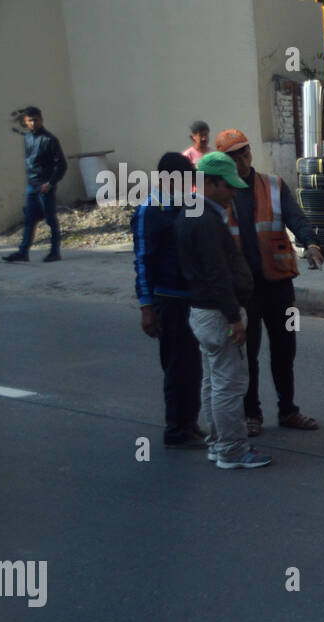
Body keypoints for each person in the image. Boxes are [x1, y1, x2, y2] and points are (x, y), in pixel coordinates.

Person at [215, 128, 324, 437]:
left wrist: (311, 244)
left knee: (285, 348)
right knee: (246, 354)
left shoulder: (274, 185)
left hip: (278, 286)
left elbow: (296, 218)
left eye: (245, 153)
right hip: (243, 291)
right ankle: (252, 414)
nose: (242, 161)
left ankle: (288, 410)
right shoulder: (219, 193)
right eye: (234, 157)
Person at [176, 152, 270, 470]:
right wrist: (233, 317)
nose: (233, 192)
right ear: (211, 183)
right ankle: (231, 449)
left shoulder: (192, 213)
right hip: (217, 313)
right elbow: (216, 273)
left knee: (214, 381)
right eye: (228, 186)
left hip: (202, 311)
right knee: (229, 384)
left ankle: (219, 443)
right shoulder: (205, 219)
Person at [134, 152, 206, 449]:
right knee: (177, 368)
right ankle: (176, 430)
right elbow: (142, 261)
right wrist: (146, 307)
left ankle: (190, 422)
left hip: (193, 299)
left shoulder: (189, 205)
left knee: (193, 367)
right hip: (168, 300)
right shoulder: (149, 210)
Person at [3, 106, 67, 263]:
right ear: (25, 121)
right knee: (29, 220)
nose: (33, 123)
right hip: (31, 185)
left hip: (44, 186)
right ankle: (23, 252)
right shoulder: (27, 138)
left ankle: (55, 252)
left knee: (51, 219)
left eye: (36, 120)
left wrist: (50, 183)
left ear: (41, 120)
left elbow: (61, 165)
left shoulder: (49, 140)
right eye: (30, 120)